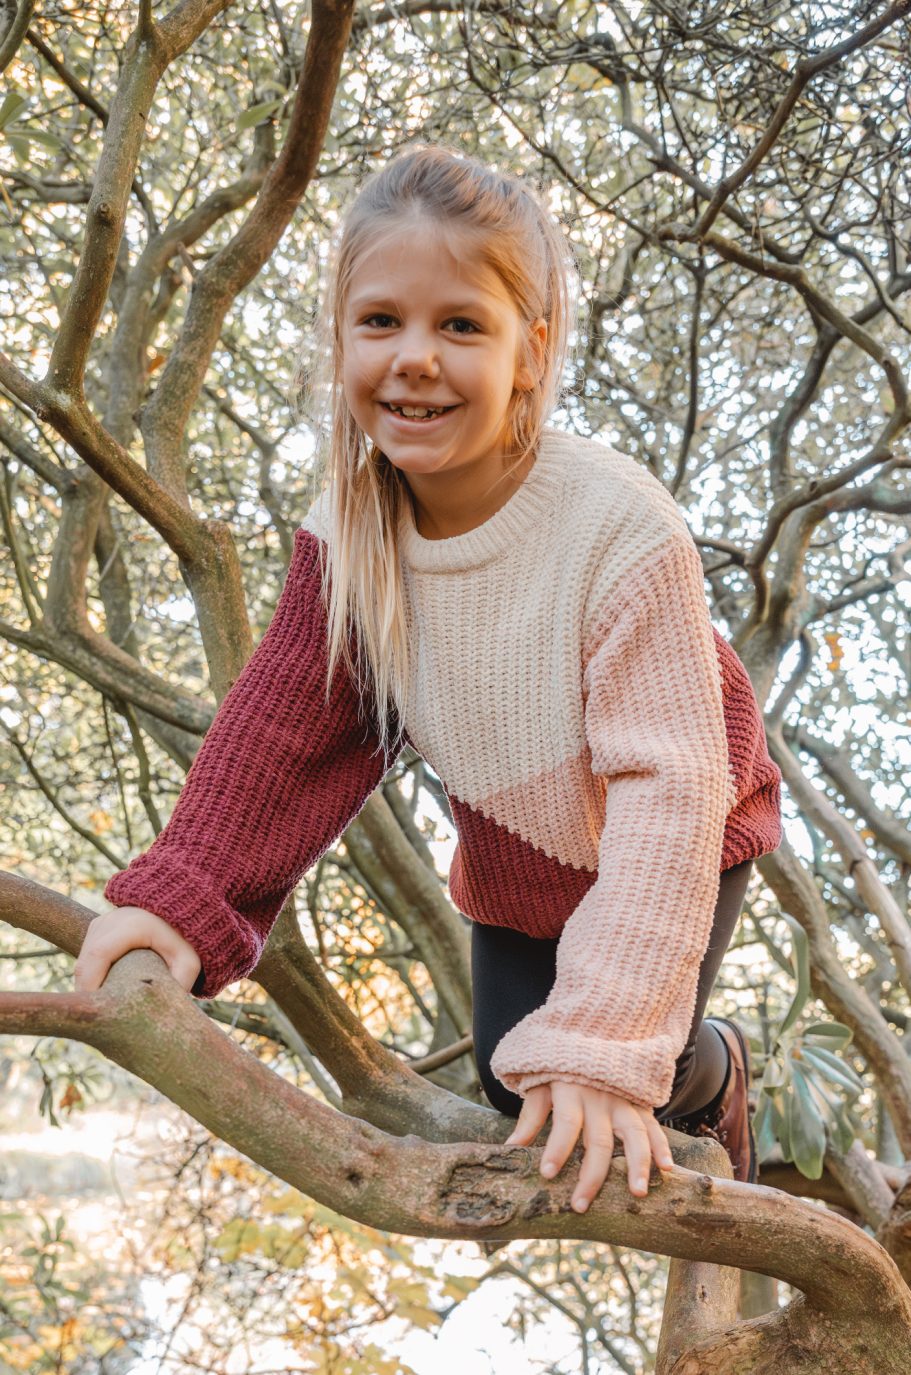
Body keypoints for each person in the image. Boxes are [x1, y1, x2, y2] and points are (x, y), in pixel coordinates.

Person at [74, 144, 782, 1205]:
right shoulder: (351, 537)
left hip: (680, 821)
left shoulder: (616, 527)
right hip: (519, 848)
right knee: (511, 1075)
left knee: (613, 1058)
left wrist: (606, 1043)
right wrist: (184, 902)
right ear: (340, 339)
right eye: (380, 322)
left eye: (459, 325)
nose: (413, 357)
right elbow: (284, 737)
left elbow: (667, 790)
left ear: (529, 350)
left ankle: (716, 1070)